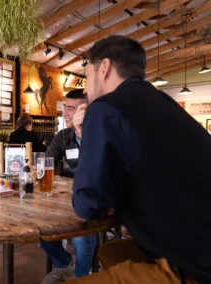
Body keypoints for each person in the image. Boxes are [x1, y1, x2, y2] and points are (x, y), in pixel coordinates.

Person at [69, 35, 211, 283]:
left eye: (87, 77)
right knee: (110, 251)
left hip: (191, 267)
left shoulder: (105, 108)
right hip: (197, 242)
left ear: (104, 68)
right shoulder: (163, 103)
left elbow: (88, 205)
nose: (85, 88)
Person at [41, 89, 97, 284]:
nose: (65, 113)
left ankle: (82, 277)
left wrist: (84, 133)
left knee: (81, 237)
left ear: (86, 110)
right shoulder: (63, 136)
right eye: (65, 107)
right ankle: (63, 263)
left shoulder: (99, 134)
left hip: (90, 200)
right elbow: (47, 161)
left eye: (71, 108)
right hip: (64, 199)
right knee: (41, 228)